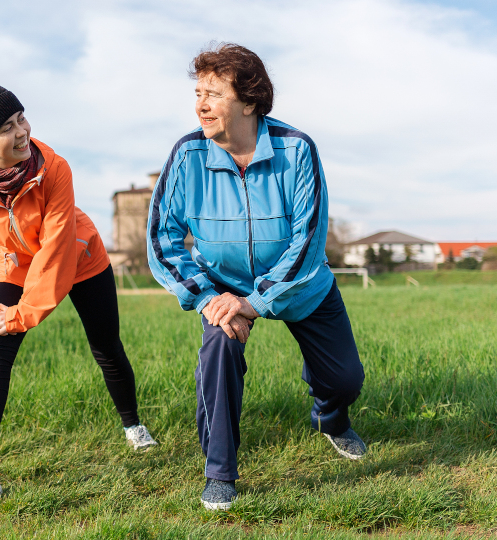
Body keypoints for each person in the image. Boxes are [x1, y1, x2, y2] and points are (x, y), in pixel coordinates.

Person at [146, 44, 366, 511]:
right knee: (218, 358)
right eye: (198, 93)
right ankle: (219, 472)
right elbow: (162, 238)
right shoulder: (187, 154)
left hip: (299, 285)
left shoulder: (297, 149)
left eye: (213, 94)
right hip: (222, 290)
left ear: (249, 101)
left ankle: (330, 419)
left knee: (345, 380)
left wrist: (255, 302)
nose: (201, 105)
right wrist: (209, 298)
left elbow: (308, 240)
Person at [0, 78, 157, 513]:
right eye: (7, 128)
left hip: (80, 256)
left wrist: (19, 314)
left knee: (106, 346)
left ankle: (133, 425)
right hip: (17, 261)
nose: (22, 133)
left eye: (22, 119)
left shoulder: (53, 168)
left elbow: (55, 250)